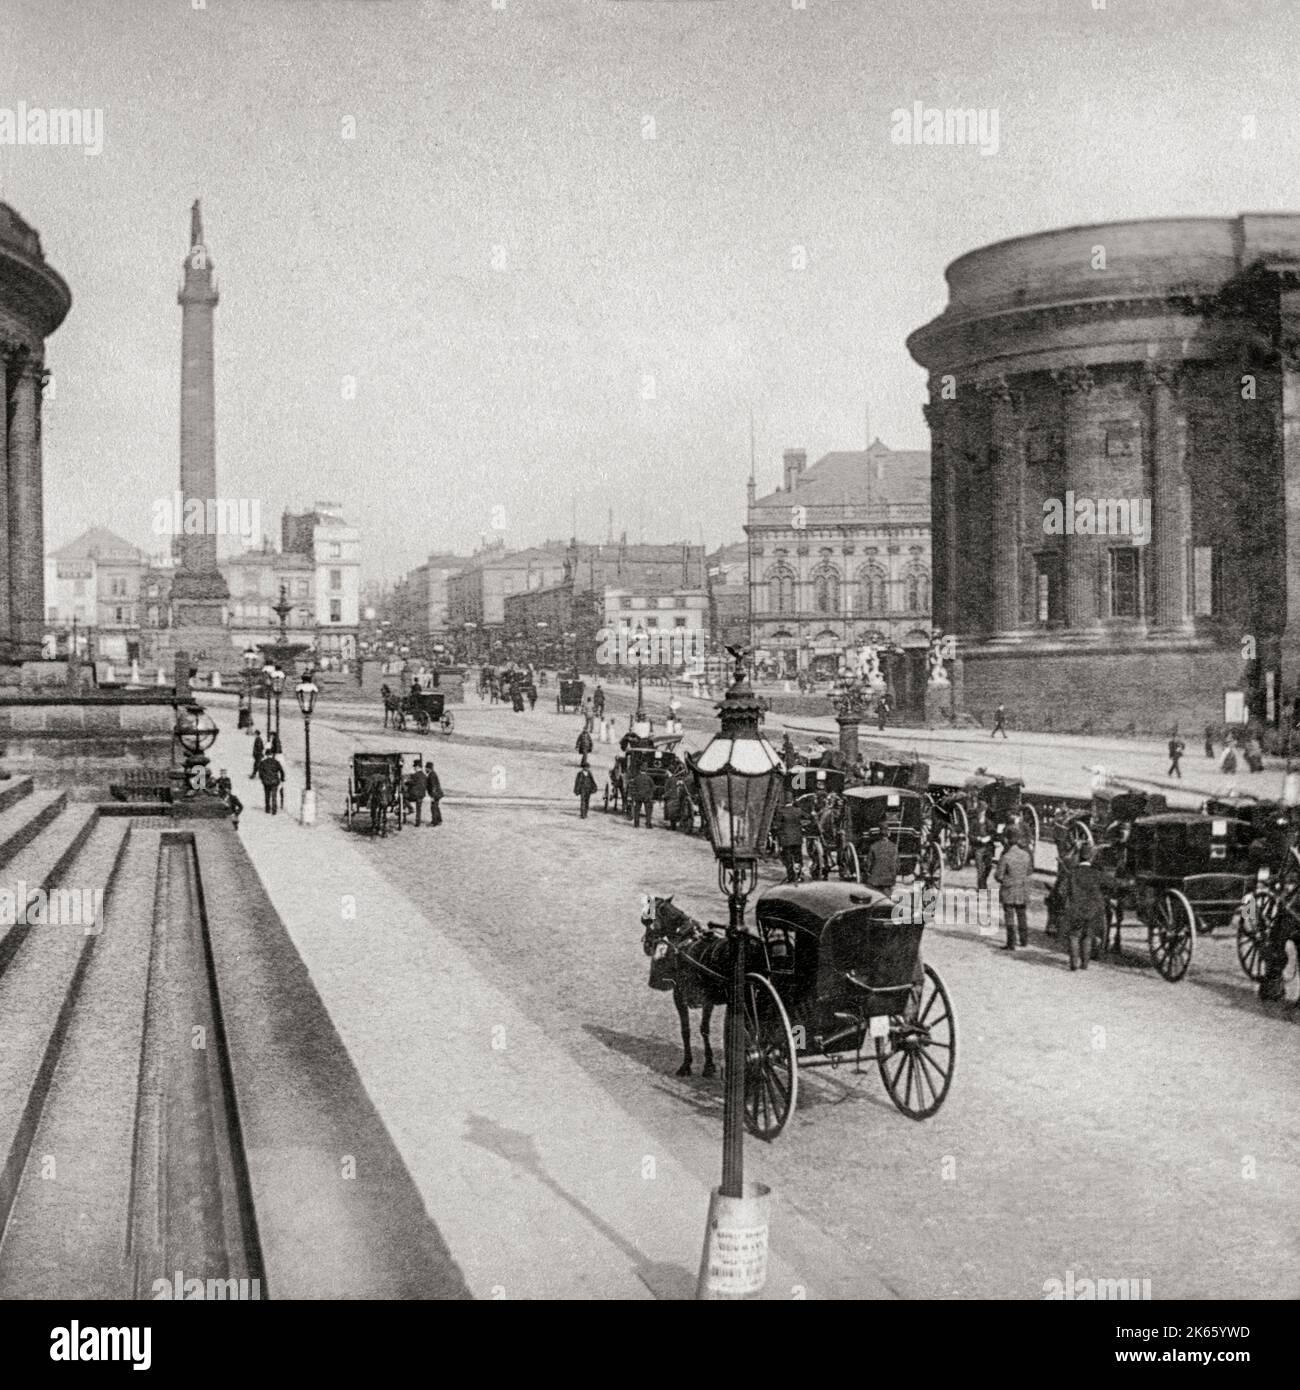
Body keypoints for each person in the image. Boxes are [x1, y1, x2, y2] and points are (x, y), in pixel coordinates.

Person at [1061, 843, 1106, 970]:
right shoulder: (1096, 873)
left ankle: (1074, 963)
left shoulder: (1072, 873)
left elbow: (1062, 891)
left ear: (1079, 857)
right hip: (1092, 910)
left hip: (1076, 910)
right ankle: (1085, 964)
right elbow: (1112, 883)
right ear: (1091, 858)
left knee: (1074, 936)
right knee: (1088, 936)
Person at [994, 829, 1034, 951]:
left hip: (1009, 890)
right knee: (1022, 915)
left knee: (1009, 916)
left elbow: (999, 875)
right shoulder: (1026, 855)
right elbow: (1029, 871)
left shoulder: (1006, 857)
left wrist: (1005, 880)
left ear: (1007, 840)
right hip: (1022, 889)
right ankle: (1024, 940)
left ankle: (1011, 943)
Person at [775, 797, 805, 883]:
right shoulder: (798, 810)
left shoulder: (781, 812)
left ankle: (791, 876)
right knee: (798, 858)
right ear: (792, 801)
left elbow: (777, 825)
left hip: (786, 840)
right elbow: (808, 817)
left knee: (788, 858)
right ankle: (798, 875)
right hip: (797, 839)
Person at [862, 826, 899, 894]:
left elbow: (868, 864)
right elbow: (897, 865)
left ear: (879, 835)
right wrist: (893, 875)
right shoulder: (894, 847)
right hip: (888, 880)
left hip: (875, 879)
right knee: (886, 900)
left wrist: (867, 872)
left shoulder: (873, 846)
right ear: (888, 834)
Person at [970, 802, 996, 891]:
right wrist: (978, 839)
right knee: (980, 868)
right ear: (977, 812)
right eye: (980, 811)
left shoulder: (989, 822)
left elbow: (993, 834)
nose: (981, 813)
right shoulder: (973, 822)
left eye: (983, 811)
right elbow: (970, 835)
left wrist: (989, 837)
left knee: (988, 867)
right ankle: (981, 887)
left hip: (988, 848)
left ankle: (983, 882)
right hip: (978, 848)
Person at [258, 748, 284, 814]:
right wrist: (282, 779)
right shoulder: (276, 762)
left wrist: (263, 779)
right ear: (271, 754)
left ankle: (267, 809)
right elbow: (281, 771)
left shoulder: (263, 763)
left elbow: (260, 773)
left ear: (266, 755)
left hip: (266, 782)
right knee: (274, 796)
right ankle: (274, 811)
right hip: (275, 781)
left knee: (267, 796)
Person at [406, 757, 428, 826]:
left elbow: (411, 783)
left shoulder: (415, 775)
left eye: (415, 767)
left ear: (417, 767)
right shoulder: (424, 776)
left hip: (414, 795)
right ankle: (418, 823)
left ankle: (410, 808)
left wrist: (406, 782)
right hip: (421, 795)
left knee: (403, 797)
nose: (414, 768)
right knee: (419, 808)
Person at [425, 760, 444, 826]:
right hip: (437, 794)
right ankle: (439, 820)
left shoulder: (431, 775)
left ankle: (434, 822)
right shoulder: (433, 774)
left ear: (428, 768)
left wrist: (433, 796)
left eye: (426, 768)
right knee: (436, 807)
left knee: (433, 807)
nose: (425, 769)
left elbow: (433, 786)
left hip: (435, 794)